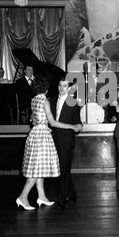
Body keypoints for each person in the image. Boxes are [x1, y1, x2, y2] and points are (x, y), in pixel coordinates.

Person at [16, 75, 77, 211]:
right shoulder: (45, 101)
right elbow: (53, 122)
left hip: (34, 134)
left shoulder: (34, 100)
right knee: (36, 171)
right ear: (47, 89)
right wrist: (71, 126)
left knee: (39, 167)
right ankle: (23, 197)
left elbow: (33, 118)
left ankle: (42, 196)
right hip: (42, 135)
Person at [50, 78, 83, 209]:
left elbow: (77, 121)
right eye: (60, 85)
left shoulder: (73, 103)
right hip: (52, 137)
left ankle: (62, 199)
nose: (61, 88)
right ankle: (71, 193)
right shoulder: (51, 100)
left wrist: (79, 126)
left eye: (64, 86)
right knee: (61, 167)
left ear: (69, 88)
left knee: (63, 168)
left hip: (66, 139)